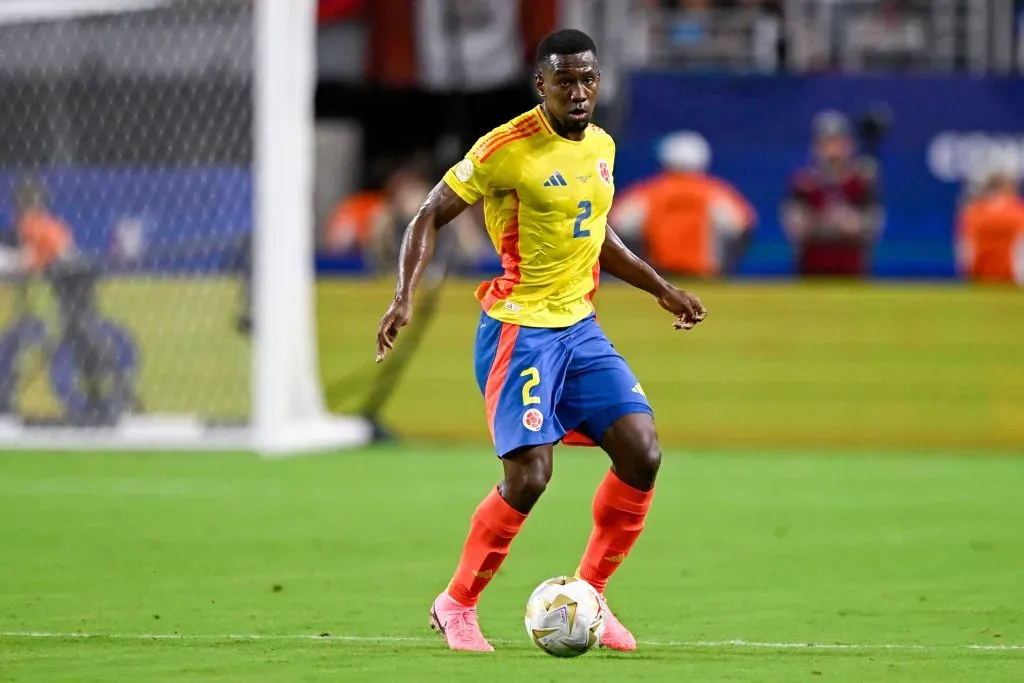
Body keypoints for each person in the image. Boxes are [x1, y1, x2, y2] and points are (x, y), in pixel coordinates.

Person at [374, 29, 707, 653]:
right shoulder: (507, 148)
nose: (578, 93)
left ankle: (592, 595)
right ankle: (457, 604)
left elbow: (595, 232)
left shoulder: (603, 146)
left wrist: (660, 288)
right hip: (520, 330)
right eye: (565, 82)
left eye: (588, 80)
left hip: (580, 329)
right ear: (541, 86)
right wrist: (403, 296)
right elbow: (428, 214)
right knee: (530, 476)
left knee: (642, 451)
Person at [610, 130, 756, 278]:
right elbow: (742, 224)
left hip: (658, 276)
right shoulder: (714, 192)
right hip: (706, 274)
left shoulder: (649, 192)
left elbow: (618, 223)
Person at [781, 110, 883, 277]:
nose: (832, 150)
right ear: (815, 147)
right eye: (826, 143)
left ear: (849, 145)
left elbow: (872, 226)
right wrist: (828, 223)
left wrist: (850, 223)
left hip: (852, 274)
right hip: (811, 274)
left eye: (837, 142)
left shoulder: (861, 183)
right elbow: (795, 228)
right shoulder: (804, 184)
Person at [955, 162, 1024, 285]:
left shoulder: (974, 212)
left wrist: (968, 274)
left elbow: (965, 250)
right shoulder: (1018, 211)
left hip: (980, 278)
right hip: (1011, 279)